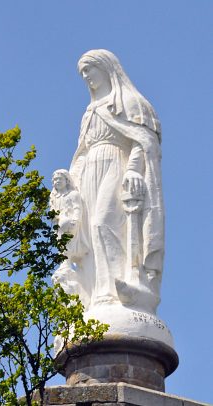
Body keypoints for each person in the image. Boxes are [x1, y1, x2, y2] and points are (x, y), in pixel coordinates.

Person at [70, 49, 164, 307]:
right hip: (90, 171)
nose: (86, 76)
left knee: (104, 222)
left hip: (115, 165)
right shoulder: (89, 112)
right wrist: (71, 184)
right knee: (89, 232)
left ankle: (121, 286)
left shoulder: (130, 102)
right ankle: (98, 293)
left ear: (106, 68)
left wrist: (134, 169)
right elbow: (82, 151)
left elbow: (143, 142)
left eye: (89, 69)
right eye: (82, 73)